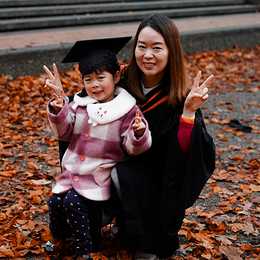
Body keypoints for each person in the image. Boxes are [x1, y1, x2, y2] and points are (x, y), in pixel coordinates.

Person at [46, 14, 215, 259]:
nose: (148, 55)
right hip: (110, 160)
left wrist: (188, 113)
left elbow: (187, 155)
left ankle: (147, 241)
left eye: (157, 48)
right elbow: (83, 110)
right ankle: (110, 216)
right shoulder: (121, 80)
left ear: (171, 52)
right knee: (111, 172)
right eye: (141, 46)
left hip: (157, 174)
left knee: (125, 174)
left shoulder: (180, 96)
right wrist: (60, 100)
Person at [43, 36, 152, 260]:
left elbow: (132, 149)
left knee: (73, 203)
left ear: (116, 77)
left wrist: (139, 134)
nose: (95, 85)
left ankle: (85, 249)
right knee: (54, 201)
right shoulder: (79, 104)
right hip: (72, 174)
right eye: (88, 79)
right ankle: (58, 235)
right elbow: (63, 132)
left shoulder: (127, 110)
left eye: (101, 78)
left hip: (97, 177)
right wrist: (60, 107)